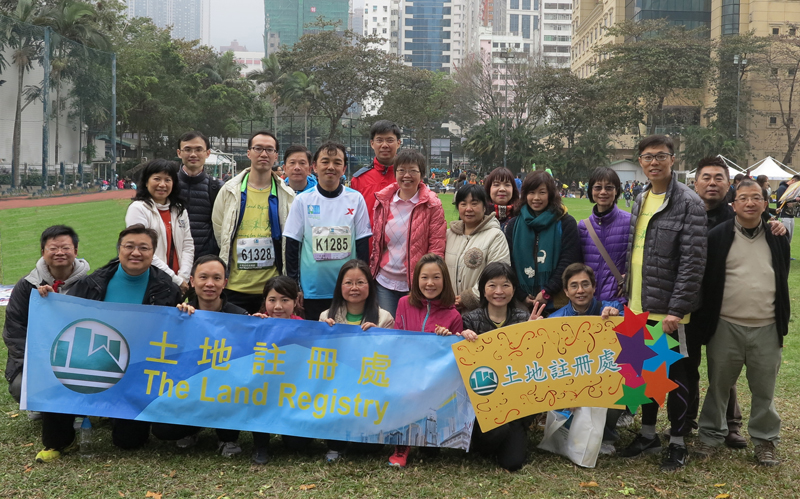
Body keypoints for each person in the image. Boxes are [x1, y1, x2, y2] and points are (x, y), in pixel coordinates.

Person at [34, 225, 183, 462]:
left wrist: (184, 310)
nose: (136, 252)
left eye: (144, 248)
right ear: (119, 249)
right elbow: (66, 314)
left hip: (139, 369)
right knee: (58, 377)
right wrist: (49, 300)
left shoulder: (166, 287)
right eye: (129, 246)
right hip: (97, 360)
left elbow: (177, 331)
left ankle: (114, 415)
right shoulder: (97, 281)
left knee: (129, 442)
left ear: (153, 252)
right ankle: (58, 441)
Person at [619, 135, 707, 472]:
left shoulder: (688, 202)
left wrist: (677, 309)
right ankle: (647, 434)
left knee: (676, 377)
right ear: (640, 162)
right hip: (638, 306)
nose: (654, 162)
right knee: (644, 377)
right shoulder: (640, 198)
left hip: (668, 312)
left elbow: (693, 261)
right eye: (647, 156)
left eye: (661, 156)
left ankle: (679, 442)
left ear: (672, 159)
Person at [693, 178, 790, 467]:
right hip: (725, 325)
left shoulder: (777, 235)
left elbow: (781, 277)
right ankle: (710, 435)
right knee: (719, 386)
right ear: (733, 204)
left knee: (764, 389)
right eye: (744, 198)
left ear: (765, 203)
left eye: (756, 198)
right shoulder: (718, 236)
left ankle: (765, 440)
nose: (750, 203)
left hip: (767, 326)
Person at [150, 255, 250, 459]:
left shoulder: (240, 317)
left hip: (226, 391)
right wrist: (178, 321)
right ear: (193, 281)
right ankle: (193, 428)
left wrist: (260, 325)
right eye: (203, 277)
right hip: (191, 390)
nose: (210, 284)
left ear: (225, 283)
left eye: (217, 278)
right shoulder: (180, 314)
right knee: (162, 430)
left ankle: (227, 437)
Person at [3, 226, 90, 418]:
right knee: (20, 387)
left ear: (75, 251)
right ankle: (41, 405)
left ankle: (78, 407)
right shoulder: (27, 286)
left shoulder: (91, 284)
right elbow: (14, 332)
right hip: (39, 358)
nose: (60, 252)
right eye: (53, 248)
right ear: (43, 252)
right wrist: (40, 363)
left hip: (78, 357)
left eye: (66, 248)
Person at [284, 141, 372, 321]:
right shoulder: (302, 201)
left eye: (337, 162)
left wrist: (363, 284)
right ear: (315, 167)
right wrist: (295, 286)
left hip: (348, 290)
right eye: (325, 162)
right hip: (312, 291)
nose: (331, 167)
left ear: (344, 168)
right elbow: (292, 246)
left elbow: (362, 246)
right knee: (316, 345)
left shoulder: (355, 199)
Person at [390, 253, 463, 468]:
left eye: (436, 277)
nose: (430, 283)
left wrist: (448, 337)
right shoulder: (404, 303)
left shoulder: (454, 315)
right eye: (424, 277)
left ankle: (429, 434)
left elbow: (455, 356)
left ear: (445, 281)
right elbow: (397, 338)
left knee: (431, 452)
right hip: (407, 372)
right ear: (416, 280)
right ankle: (401, 446)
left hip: (436, 380)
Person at [211, 130, 295, 313]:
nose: (263, 154)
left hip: (272, 291)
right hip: (234, 286)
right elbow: (219, 229)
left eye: (269, 150)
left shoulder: (287, 196)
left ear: (276, 156)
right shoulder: (229, 191)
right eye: (258, 148)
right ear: (249, 153)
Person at [320, 260, 394, 462]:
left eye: (360, 282)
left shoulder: (383, 317)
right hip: (337, 388)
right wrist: (324, 334)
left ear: (369, 286)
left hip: (368, 388)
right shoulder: (326, 317)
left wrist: (377, 337)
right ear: (339, 287)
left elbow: (390, 359)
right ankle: (335, 444)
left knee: (368, 449)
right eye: (348, 283)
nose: (354, 288)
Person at [459, 262, 531, 471]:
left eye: (506, 285)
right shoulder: (470, 320)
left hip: (515, 402)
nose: (499, 291)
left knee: (513, 463)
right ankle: (480, 440)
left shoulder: (524, 319)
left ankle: (513, 434)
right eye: (492, 285)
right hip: (483, 401)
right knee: (493, 435)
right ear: (483, 289)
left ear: (514, 289)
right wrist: (462, 338)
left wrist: (535, 333)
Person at [370, 149, 446, 316]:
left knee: (413, 333)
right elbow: (377, 243)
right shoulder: (383, 201)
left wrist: (426, 282)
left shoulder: (432, 205)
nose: (407, 175)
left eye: (413, 170)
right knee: (387, 331)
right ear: (395, 172)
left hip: (416, 285)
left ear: (422, 174)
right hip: (384, 283)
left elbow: (436, 247)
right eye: (401, 170)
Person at [505, 171, 581, 315]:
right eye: (531, 192)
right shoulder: (514, 225)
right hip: (521, 305)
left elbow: (568, 261)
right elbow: (509, 264)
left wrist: (547, 291)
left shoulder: (565, 222)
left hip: (557, 304)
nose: (536, 198)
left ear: (550, 194)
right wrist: (521, 295)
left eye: (542, 192)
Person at [125, 159, 194, 295]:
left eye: (167, 180)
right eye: (157, 179)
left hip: (177, 285)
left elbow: (188, 245)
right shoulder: (138, 209)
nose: (162, 185)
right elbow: (143, 249)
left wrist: (183, 277)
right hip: (150, 283)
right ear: (146, 182)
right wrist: (175, 280)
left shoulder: (179, 210)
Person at [446, 184, 510, 312]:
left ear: (484, 206)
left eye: (474, 204)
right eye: (463, 204)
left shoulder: (495, 236)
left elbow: (499, 275)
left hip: (481, 313)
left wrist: (469, 298)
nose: (468, 209)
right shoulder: (449, 234)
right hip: (449, 311)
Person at [577, 167, 629, 304]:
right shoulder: (583, 227)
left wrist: (630, 278)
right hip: (589, 303)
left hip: (619, 303)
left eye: (609, 188)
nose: (603, 192)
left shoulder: (630, 222)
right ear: (591, 190)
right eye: (598, 187)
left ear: (616, 191)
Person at [176, 131, 223, 260]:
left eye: (198, 149)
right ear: (179, 153)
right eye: (187, 149)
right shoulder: (168, 185)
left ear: (207, 153)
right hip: (172, 258)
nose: (193, 154)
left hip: (205, 260)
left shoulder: (217, 187)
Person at [351, 120, 401, 231]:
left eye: (389, 140)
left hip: (400, 247)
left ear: (398, 143)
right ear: (372, 144)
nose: (384, 145)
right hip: (367, 245)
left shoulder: (408, 178)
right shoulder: (359, 180)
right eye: (379, 140)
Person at [484, 167, 520, 231]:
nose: (502, 189)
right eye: (496, 185)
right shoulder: (479, 214)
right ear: (489, 189)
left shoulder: (521, 215)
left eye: (507, 185)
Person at [774, 174, 800, 244]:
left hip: (790, 214)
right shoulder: (782, 188)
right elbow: (781, 201)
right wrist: (795, 200)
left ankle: (786, 254)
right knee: (785, 238)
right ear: (793, 181)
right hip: (784, 215)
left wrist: (795, 201)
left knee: (789, 237)